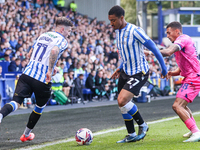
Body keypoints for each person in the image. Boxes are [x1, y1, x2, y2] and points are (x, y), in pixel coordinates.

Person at [0, 17, 73, 142]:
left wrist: (47, 65)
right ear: (62, 29)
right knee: (39, 106)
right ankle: (26, 134)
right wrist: (50, 70)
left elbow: (30, 54)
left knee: (16, 102)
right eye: (69, 31)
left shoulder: (43, 35)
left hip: (27, 75)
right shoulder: (62, 39)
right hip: (42, 79)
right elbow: (54, 50)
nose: (69, 34)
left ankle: (0, 115)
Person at [108, 5, 167, 143]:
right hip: (125, 71)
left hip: (139, 72)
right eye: (110, 20)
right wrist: (120, 67)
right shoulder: (117, 31)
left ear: (122, 18)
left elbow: (154, 48)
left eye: (113, 20)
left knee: (122, 100)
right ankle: (131, 134)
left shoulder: (135, 31)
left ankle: (143, 125)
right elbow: (125, 54)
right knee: (122, 104)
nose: (111, 23)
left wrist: (163, 68)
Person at [157, 21, 200, 142]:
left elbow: (167, 52)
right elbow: (184, 65)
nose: (167, 36)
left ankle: (196, 132)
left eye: (169, 33)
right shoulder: (182, 43)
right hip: (192, 76)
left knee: (177, 106)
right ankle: (194, 130)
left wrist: (151, 50)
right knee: (183, 106)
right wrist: (172, 73)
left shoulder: (182, 39)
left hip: (194, 77)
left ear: (177, 31)